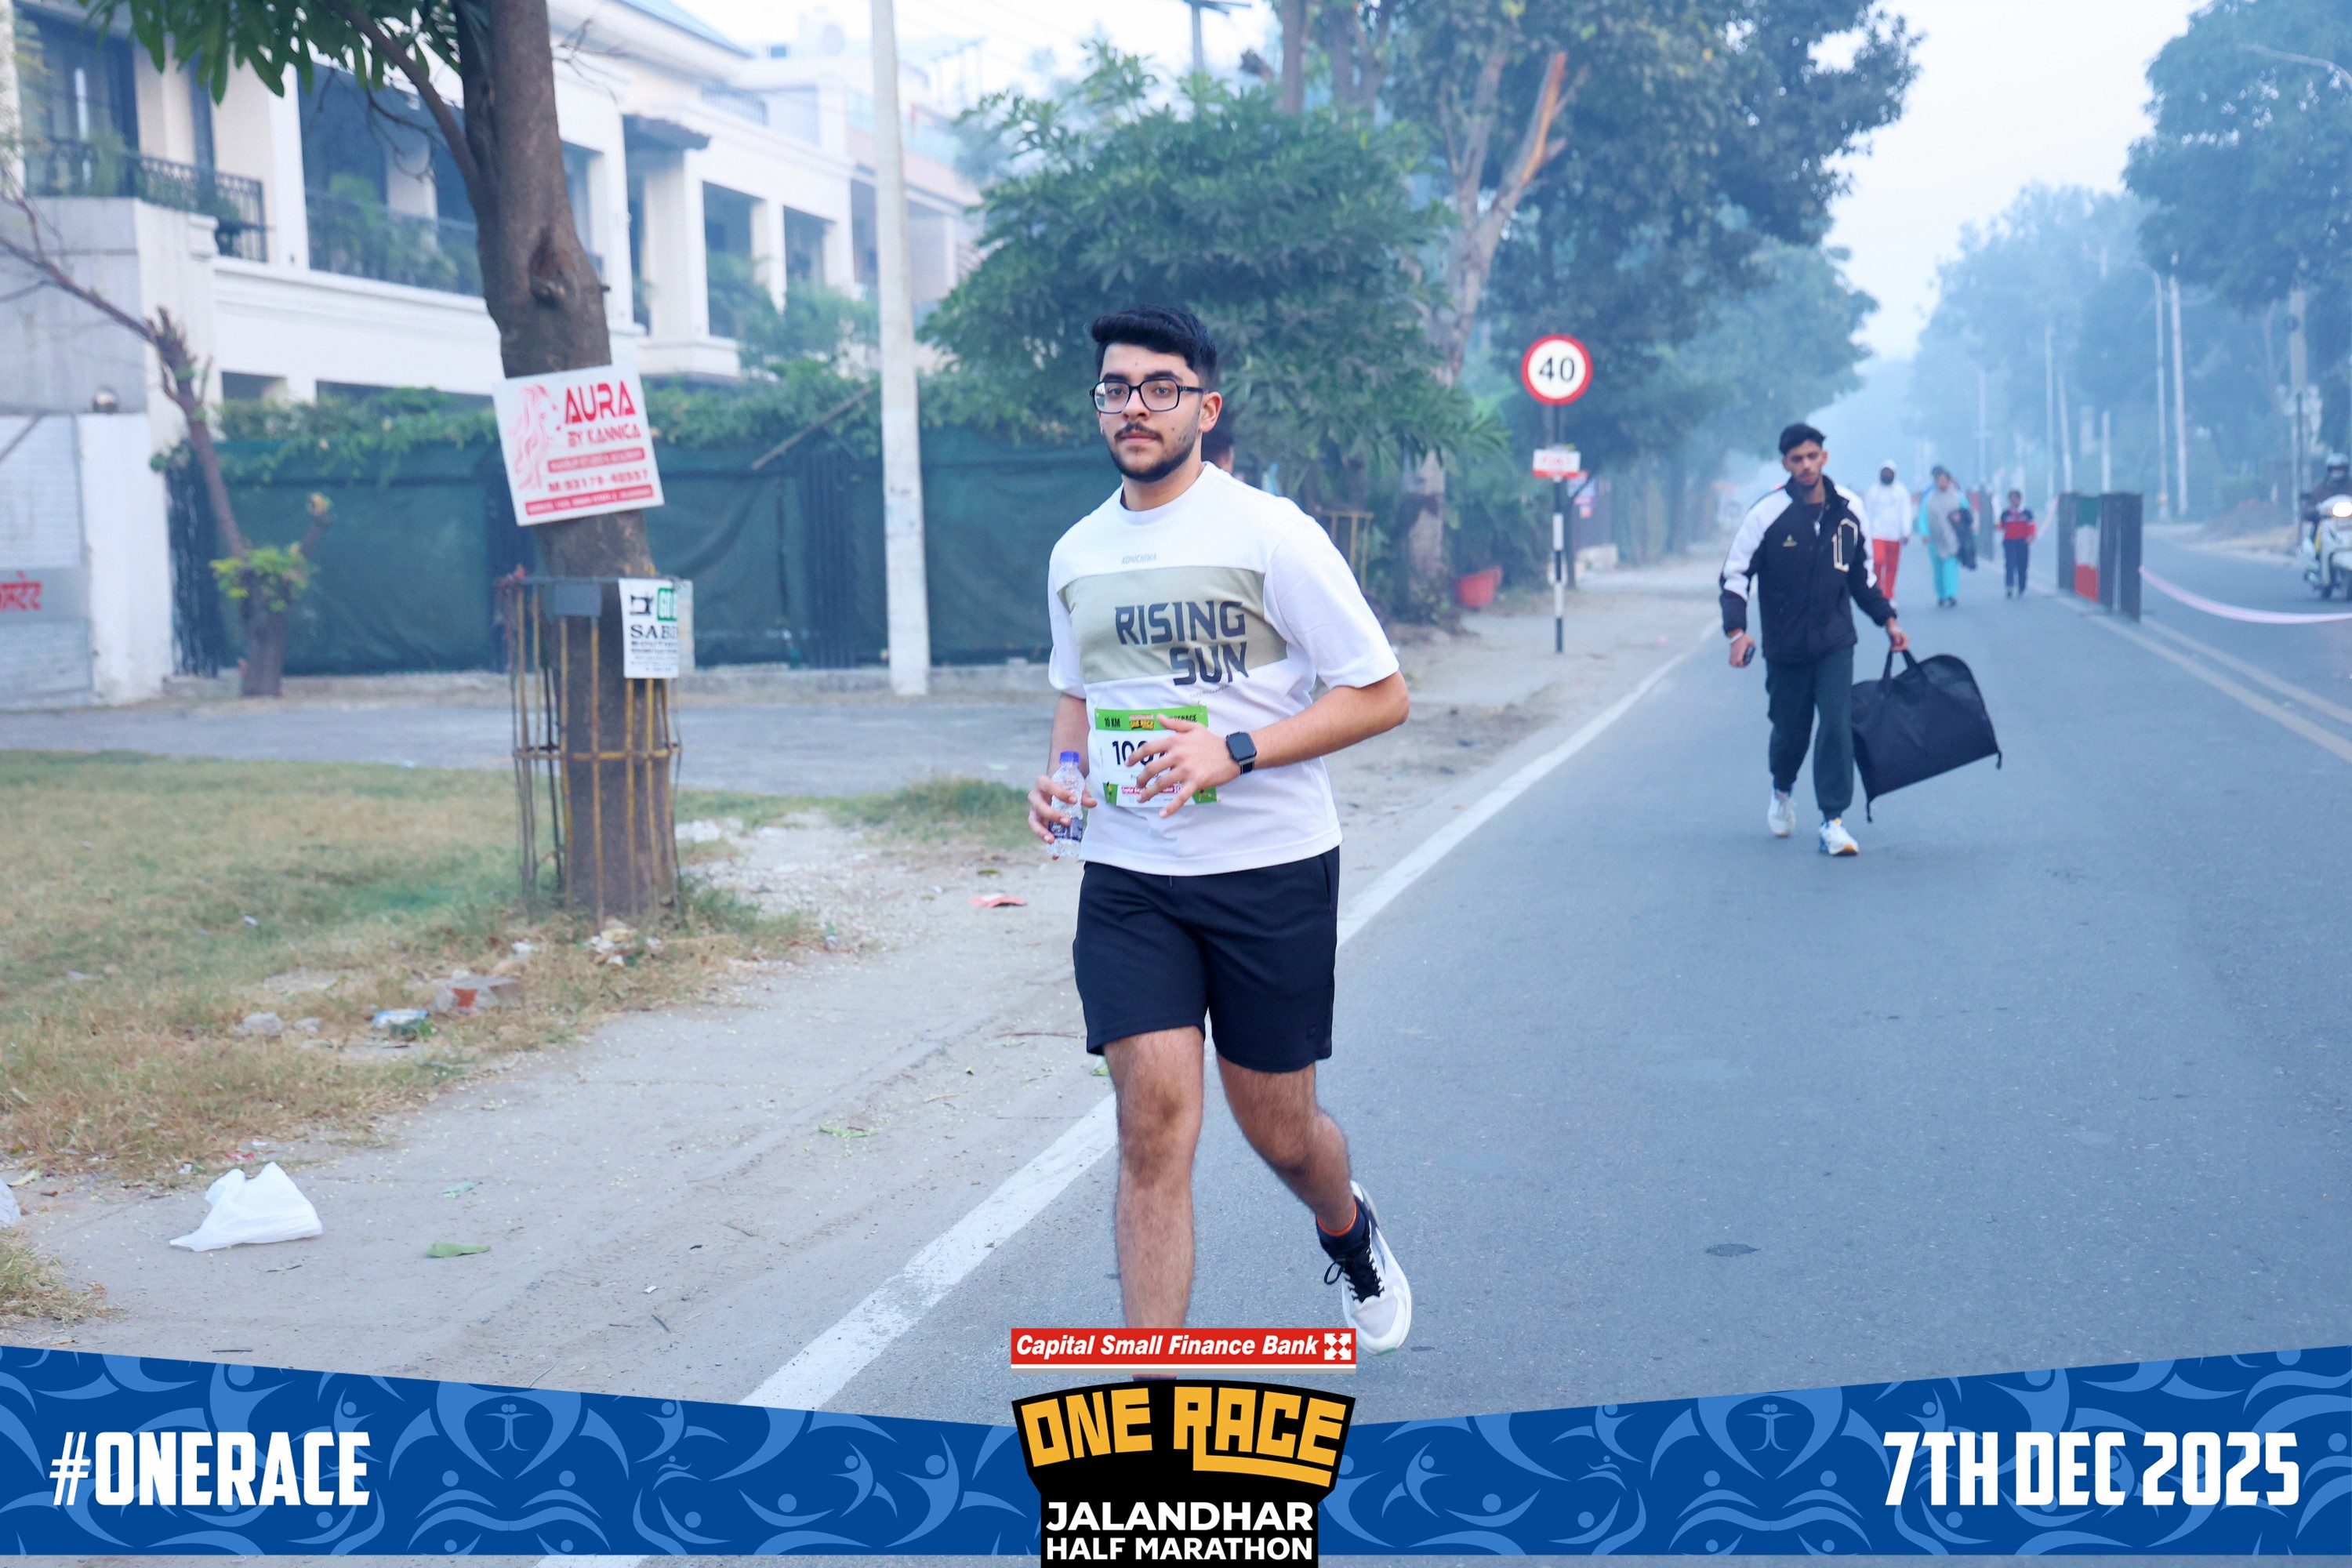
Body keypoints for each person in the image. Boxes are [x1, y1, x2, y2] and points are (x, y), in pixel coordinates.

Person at [1027, 305, 1415, 1351]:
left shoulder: (1272, 535)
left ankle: (1347, 1227)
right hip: (1130, 876)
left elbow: (1381, 694)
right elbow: (1077, 695)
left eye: (1161, 388)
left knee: (1280, 1131)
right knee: (1152, 1124)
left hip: (1269, 871)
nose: (1135, 407)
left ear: (1206, 406)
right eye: (1117, 388)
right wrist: (1064, 777)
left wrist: (1235, 750)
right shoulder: (1076, 552)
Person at [1722, 423, 1909, 856]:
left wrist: (1888, 620)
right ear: (1785, 464)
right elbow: (1735, 576)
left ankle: (1833, 820)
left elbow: (1862, 577)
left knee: (1837, 724)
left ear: (1824, 457)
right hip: (1785, 646)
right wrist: (1737, 632)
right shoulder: (1767, 514)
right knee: (1790, 731)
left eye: (1812, 456)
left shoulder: (1850, 510)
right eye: (1797, 459)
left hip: (1835, 641)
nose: (1806, 465)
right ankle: (1782, 789)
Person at [1860, 461, 1912, 608]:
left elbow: (1906, 511)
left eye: (1889, 472)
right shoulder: (1873, 491)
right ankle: (1878, 593)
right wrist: (1866, 532)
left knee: (1892, 567)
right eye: (1885, 472)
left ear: (1895, 474)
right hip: (1877, 533)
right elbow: (1868, 513)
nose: (1887, 475)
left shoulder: (1901, 491)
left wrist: (1906, 531)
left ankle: (1889, 595)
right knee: (1878, 561)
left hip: (1895, 535)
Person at [1918, 466, 1968, 608]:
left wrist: (1961, 518)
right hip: (1935, 539)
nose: (1943, 483)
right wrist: (1925, 534)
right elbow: (1923, 518)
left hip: (1953, 538)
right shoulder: (1929, 500)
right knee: (1938, 569)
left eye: (1945, 481)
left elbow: (1967, 513)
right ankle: (1941, 594)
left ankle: (1951, 594)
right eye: (1940, 481)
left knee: (1951, 567)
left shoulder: (1958, 497)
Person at [1998, 489, 2038, 598]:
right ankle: (2009, 586)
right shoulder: (2005, 514)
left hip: (2023, 542)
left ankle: (2022, 587)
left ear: (2020, 499)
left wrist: (2031, 536)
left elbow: (2032, 526)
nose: (2013, 501)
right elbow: (2001, 526)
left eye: (2015, 498)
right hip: (2009, 542)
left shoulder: (2027, 513)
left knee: (2022, 565)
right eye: (2011, 499)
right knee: (2009, 564)